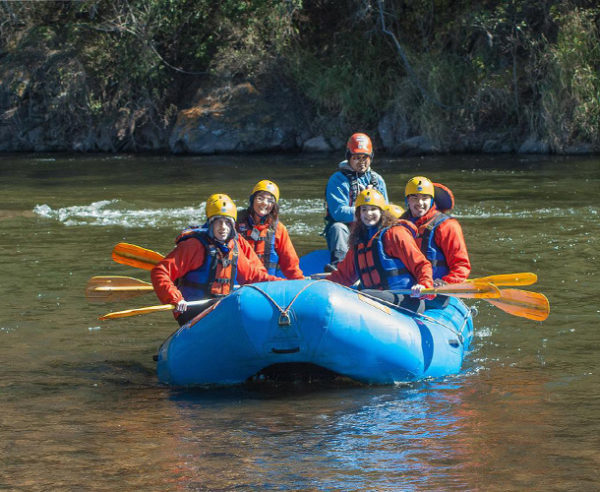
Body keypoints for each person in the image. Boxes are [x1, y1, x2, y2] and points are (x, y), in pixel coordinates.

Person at [151, 193, 281, 325]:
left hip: (220, 309)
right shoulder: (193, 246)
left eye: (227, 222)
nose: (223, 227)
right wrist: (175, 298)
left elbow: (253, 276)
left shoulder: (233, 247)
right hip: (192, 312)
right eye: (218, 221)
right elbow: (160, 272)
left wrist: (282, 284)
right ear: (210, 223)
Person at [326, 189, 433, 303]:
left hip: (405, 300)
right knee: (362, 293)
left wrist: (424, 285)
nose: (368, 213)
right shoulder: (359, 242)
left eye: (373, 209)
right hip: (375, 301)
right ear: (359, 213)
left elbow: (421, 265)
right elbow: (343, 276)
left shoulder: (395, 234)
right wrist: (320, 286)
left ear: (382, 212)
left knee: (364, 295)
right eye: (364, 210)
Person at [323, 132, 388, 271]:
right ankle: (339, 266)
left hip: (371, 228)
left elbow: (386, 211)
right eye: (357, 157)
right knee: (337, 228)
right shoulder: (337, 180)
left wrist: (371, 212)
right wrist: (365, 209)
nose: (362, 161)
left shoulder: (378, 180)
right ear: (349, 157)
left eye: (365, 157)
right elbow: (338, 213)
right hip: (347, 230)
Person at [402, 176, 471, 286]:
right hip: (407, 289)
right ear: (407, 200)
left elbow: (461, 265)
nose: (420, 202)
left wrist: (445, 283)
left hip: (436, 290)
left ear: (432, 201)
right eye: (414, 197)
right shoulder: (399, 227)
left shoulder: (447, 226)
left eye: (425, 198)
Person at [236, 180, 304, 280]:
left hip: (266, 285)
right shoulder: (235, 224)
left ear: (273, 206)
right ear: (253, 200)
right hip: (238, 285)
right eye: (260, 198)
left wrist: (300, 282)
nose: (264, 203)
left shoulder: (279, 229)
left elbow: (290, 262)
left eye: (270, 201)